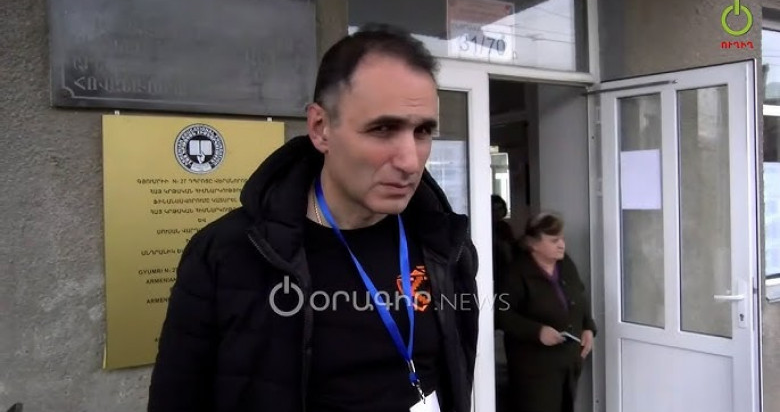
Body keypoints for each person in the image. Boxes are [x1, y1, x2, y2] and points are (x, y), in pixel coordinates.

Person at [148, 24, 479, 412]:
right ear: (321, 128)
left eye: (422, 131)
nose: (409, 160)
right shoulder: (229, 253)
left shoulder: (445, 245)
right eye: (383, 128)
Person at [496, 212, 596, 412]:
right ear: (533, 243)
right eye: (554, 240)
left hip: (568, 363)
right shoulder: (516, 273)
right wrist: (537, 331)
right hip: (534, 370)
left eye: (562, 239)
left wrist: (588, 327)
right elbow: (501, 315)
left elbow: (579, 297)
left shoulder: (565, 264)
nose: (562, 245)